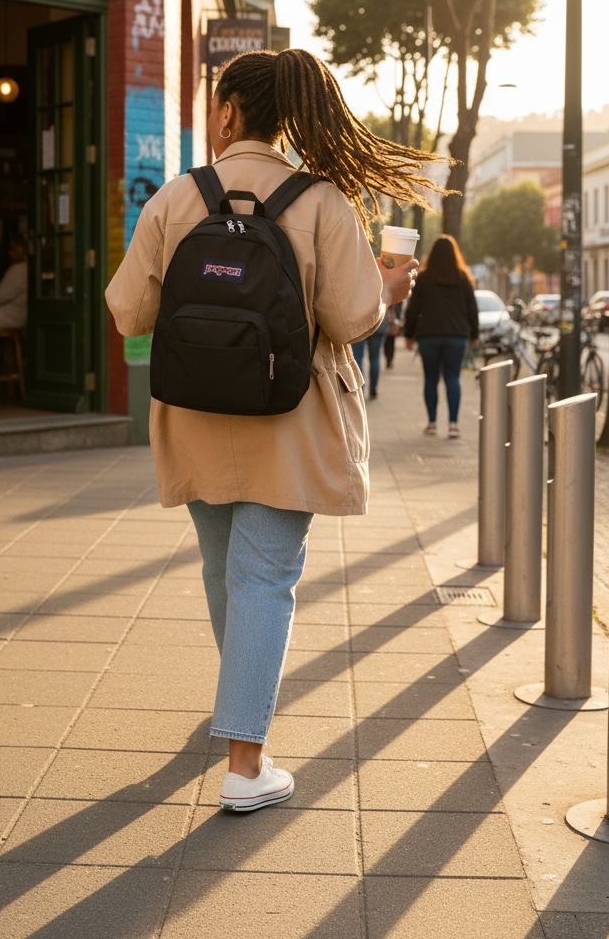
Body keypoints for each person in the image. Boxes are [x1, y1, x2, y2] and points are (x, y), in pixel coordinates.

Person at [105, 48, 441, 814]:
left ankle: (239, 714)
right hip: (287, 422)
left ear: (228, 112)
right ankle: (246, 763)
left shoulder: (176, 198)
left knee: (227, 574)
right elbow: (355, 320)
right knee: (265, 581)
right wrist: (385, 287)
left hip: (193, 418)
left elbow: (127, 311)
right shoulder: (321, 202)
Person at [403, 233, 479, 438]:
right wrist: (474, 334)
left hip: (429, 335)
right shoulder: (463, 279)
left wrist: (409, 335)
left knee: (431, 379)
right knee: (453, 378)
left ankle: (432, 423)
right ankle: (453, 425)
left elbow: (413, 309)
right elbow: (472, 309)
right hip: (457, 335)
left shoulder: (425, 278)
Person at [0, 237, 28, 329]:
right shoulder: (28, 269)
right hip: (22, 317)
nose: (9, 253)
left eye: (12, 249)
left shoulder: (17, 270)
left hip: (7, 317)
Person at [351, 312, 389, 399]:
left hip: (358, 322)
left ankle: (360, 390)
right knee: (375, 358)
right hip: (378, 321)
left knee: (357, 359)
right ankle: (373, 390)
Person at [383, 302, 404, 369]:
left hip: (392, 323)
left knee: (390, 342)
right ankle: (389, 358)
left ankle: (390, 359)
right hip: (387, 321)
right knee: (388, 343)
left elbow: (399, 309)